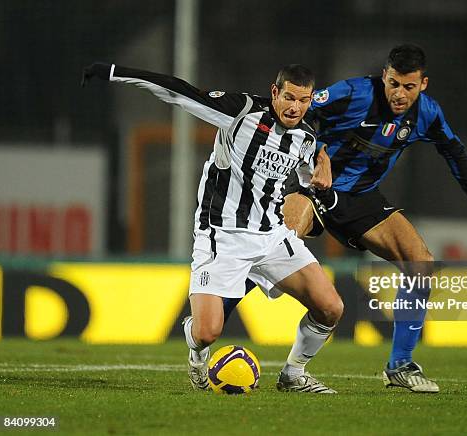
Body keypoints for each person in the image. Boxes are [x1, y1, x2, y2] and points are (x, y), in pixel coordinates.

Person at [227, 44, 467, 393]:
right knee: (270, 245)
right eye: (393, 84)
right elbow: (304, 111)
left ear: (423, 85)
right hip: (313, 187)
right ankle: (210, 324)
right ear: (384, 76)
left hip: (361, 199)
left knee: (419, 260)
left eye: (408, 87)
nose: (399, 94)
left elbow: (453, 150)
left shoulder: (428, 114)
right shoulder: (354, 92)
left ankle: (399, 366)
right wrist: (317, 152)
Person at [82, 62, 342, 394]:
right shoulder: (241, 112)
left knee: (331, 307)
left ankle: (294, 373)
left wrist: (320, 178)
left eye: (303, 100)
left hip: (272, 237)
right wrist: (114, 72)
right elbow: (179, 93)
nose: (295, 107)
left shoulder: (306, 136)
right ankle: (196, 351)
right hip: (222, 236)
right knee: (207, 333)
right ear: (275, 92)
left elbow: (308, 179)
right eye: (289, 97)